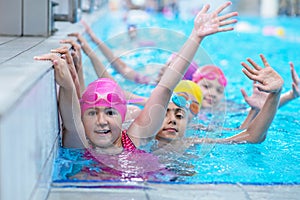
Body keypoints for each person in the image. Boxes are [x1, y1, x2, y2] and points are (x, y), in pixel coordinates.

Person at [34, 1, 238, 179]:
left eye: (110, 112)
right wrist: (68, 83)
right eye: (92, 113)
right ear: (82, 119)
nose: (102, 120)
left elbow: (165, 88)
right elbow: (70, 118)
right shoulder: (80, 144)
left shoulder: (134, 140)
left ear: (122, 117)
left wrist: (196, 37)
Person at [81, 20, 153, 84]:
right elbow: (120, 65)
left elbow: (119, 66)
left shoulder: (145, 81)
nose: (162, 69)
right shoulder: (147, 80)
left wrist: (94, 41)